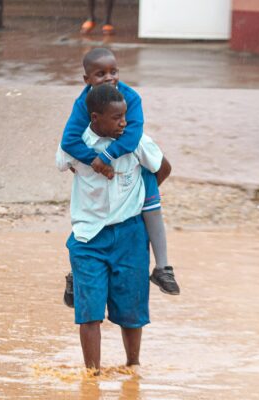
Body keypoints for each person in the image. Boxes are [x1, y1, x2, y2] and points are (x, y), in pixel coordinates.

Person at [56, 84, 171, 371]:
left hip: (131, 236)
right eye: (116, 118)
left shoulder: (137, 142)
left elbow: (163, 167)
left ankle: (133, 367)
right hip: (87, 237)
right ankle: (92, 375)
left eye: (125, 116)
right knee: (89, 313)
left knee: (132, 310)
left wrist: (141, 196)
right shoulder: (76, 145)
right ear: (95, 118)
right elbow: (63, 161)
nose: (124, 123)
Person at [60, 48, 180, 309]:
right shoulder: (83, 104)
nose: (109, 77)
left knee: (151, 208)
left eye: (113, 71)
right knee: (92, 218)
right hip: (98, 172)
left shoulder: (131, 98)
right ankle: (76, 274)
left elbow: (132, 135)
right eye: (100, 73)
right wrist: (94, 161)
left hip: (130, 161)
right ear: (87, 80)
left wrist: (108, 160)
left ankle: (163, 267)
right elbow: (68, 141)